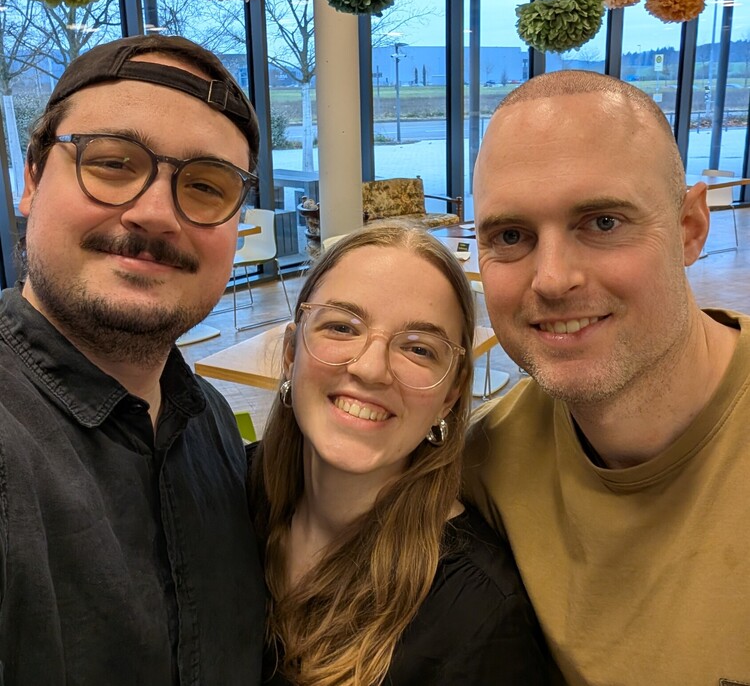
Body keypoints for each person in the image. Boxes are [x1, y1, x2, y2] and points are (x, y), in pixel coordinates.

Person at [465, 69, 750, 685]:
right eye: (510, 236)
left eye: (602, 223)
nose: (552, 279)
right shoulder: (484, 463)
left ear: (690, 228)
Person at [0, 35, 265, 684]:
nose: (155, 214)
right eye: (113, 163)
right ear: (31, 180)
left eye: (205, 186)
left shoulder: (209, 422)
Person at [247, 223, 551, 685]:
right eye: (342, 326)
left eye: (419, 349)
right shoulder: (219, 501)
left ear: (449, 396)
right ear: (291, 353)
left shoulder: (478, 617)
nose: (371, 369)